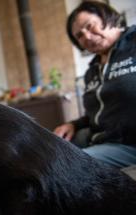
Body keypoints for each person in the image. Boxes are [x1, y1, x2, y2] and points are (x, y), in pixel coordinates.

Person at [54, 1, 136, 168]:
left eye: (90, 26)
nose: (87, 37)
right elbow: (97, 113)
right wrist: (72, 125)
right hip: (99, 137)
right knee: (48, 148)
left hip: (128, 143)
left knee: (64, 165)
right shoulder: (92, 71)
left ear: (107, 16)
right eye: (80, 36)